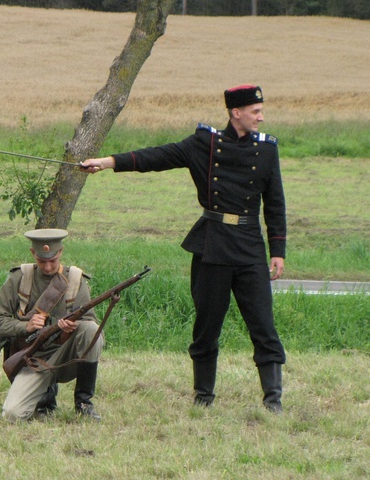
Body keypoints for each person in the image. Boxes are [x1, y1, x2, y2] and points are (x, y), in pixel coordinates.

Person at [81, 85, 287, 413]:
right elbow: (158, 157)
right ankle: (203, 397)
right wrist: (107, 162)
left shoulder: (267, 150)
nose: (261, 117)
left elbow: (275, 203)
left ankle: (273, 400)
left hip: (250, 247)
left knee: (263, 325)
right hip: (212, 245)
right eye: (255, 111)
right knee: (207, 326)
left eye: (261, 111)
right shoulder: (204, 144)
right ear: (236, 113)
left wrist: (278, 250)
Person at [0, 229, 104, 421]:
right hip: (32, 359)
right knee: (12, 414)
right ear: (33, 254)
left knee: (92, 330)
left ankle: (83, 403)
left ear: (60, 252)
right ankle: (44, 397)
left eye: (53, 261)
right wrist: (25, 327)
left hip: (65, 354)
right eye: (42, 261)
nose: (48, 267)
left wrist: (70, 327)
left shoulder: (75, 279)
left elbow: (89, 321)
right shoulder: (19, 278)